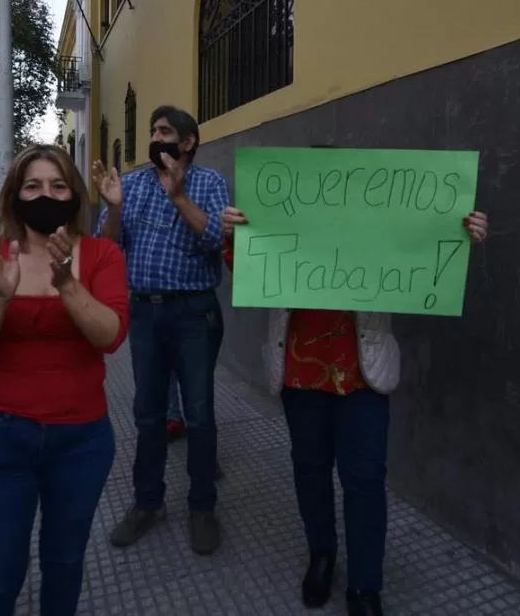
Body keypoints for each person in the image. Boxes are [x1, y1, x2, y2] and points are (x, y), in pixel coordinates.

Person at [220, 204, 489, 616]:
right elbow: (249, 273)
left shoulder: (379, 230)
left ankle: (365, 586)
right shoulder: (286, 229)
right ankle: (322, 554)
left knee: (365, 481)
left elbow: (425, 256)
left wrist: (460, 235)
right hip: (300, 375)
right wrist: (233, 234)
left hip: (364, 378)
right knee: (310, 472)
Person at [0, 146, 129, 616]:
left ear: (73, 196)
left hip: (81, 441)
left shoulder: (103, 255)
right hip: (0, 440)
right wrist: (0, 299)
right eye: (33, 186)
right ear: (14, 196)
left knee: (64, 563)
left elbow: (110, 336)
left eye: (57, 185)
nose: (45, 195)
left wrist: (67, 284)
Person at [95, 105, 229, 555]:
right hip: (146, 316)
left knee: (199, 411)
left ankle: (202, 508)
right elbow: (108, 248)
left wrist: (177, 196)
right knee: (149, 413)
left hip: (194, 313)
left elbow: (214, 239)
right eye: (153, 130)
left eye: (166, 131)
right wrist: (112, 209)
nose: (156, 137)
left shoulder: (209, 182)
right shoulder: (130, 185)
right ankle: (148, 503)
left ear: (188, 142)